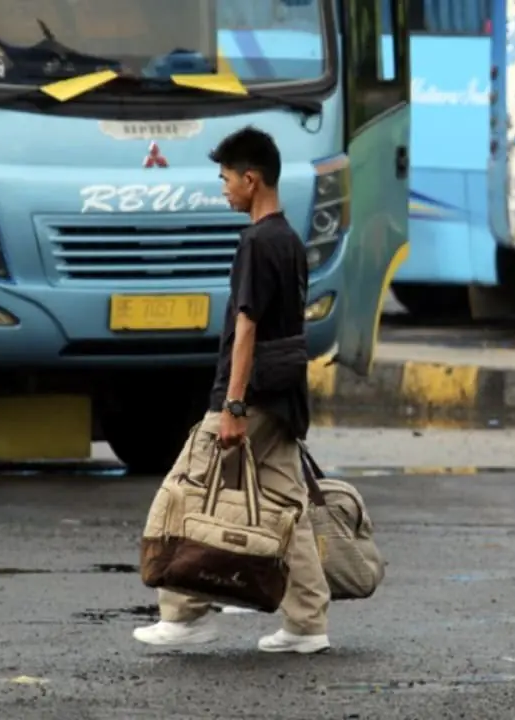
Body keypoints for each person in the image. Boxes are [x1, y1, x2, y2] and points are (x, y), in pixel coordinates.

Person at [132, 126, 331, 654]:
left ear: (252, 178)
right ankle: (307, 625)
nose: (223, 189)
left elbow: (247, 326)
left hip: (252, 397)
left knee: (189, 487)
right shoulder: (289, 240)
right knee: (290, 510)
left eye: (226, 179)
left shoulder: (255, 243)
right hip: (285, 395)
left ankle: (185, 613)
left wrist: (232, 405)